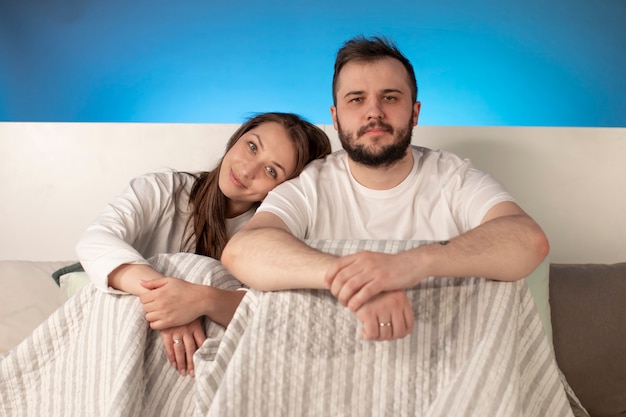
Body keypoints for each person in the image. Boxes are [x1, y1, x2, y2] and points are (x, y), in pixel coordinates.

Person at [221, 36, 550, 342]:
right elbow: (243, 251)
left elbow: (528, 240)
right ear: (335, 118)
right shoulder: (310, 185)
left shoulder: (454, 178)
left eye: (390, 97)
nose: (373, 112)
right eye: (356, 99)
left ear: (415, 112)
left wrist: (408, 265)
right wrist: (355, 280)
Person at [75, 112, 332, 376]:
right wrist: (167, 301)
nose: (247, 170)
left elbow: (273, 314)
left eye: (271, 170)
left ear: (287, 187)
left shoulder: (271, 239)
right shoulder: (164, 190)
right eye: (252, 146)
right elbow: (96, 240)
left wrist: (201, 300)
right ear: (237, 138)